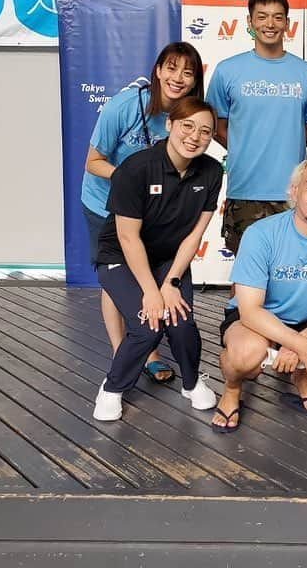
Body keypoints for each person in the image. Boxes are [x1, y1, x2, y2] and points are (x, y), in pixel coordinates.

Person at [211, 157, 307, 432]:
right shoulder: (261, 234)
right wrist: (301, 345)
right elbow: (250, 310)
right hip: (258, 320)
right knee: (246, 354)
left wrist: (299, 343)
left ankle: (303, 378)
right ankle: (232, 389)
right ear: (294, 192)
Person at [82, 41, 204, 387]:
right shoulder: (124, 106)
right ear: (158, 70)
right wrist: (129, 179)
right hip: (105, 204)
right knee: (118, 282)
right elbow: (92, 162)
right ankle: (127, 352)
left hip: (153, 214)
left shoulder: (187, 116)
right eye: (171, 68)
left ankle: (146, 350)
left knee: (148, 273)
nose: (178, 78)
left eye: (188, 72)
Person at [92, 98, 222, 422]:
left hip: (168, 258)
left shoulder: (210, 171)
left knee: (180, 322)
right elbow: (127, 237)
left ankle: (191, 384)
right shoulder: (135, 169)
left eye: (205, 131)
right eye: (187, 126)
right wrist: (152, 290)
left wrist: (172, 281)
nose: (195, 136)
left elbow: (194, 235)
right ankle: (112, 388)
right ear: (170, 125)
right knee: (147, 324)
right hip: (120, 255)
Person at [207, 0, 307, 257]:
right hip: (245, 188)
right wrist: (243, 148)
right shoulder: (227, 70)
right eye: (261, 17)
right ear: (249, 22)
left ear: (287, 23)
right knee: (245, 272)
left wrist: (282, 146)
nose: (269, 24)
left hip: (293, 191)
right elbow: (216, 125)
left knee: (292, 269)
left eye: (277, 17)